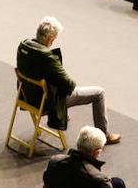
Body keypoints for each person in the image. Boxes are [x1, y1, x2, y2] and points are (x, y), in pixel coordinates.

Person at [16, 16, 120, 144]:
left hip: (27, 96)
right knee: (99, 93)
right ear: (50, 37)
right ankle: (103, 136)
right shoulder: (47, 57)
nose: (54, 40)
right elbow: (69, 86)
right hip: (47, 102)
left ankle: (64, 112)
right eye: (54, 38)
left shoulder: (23, 45)